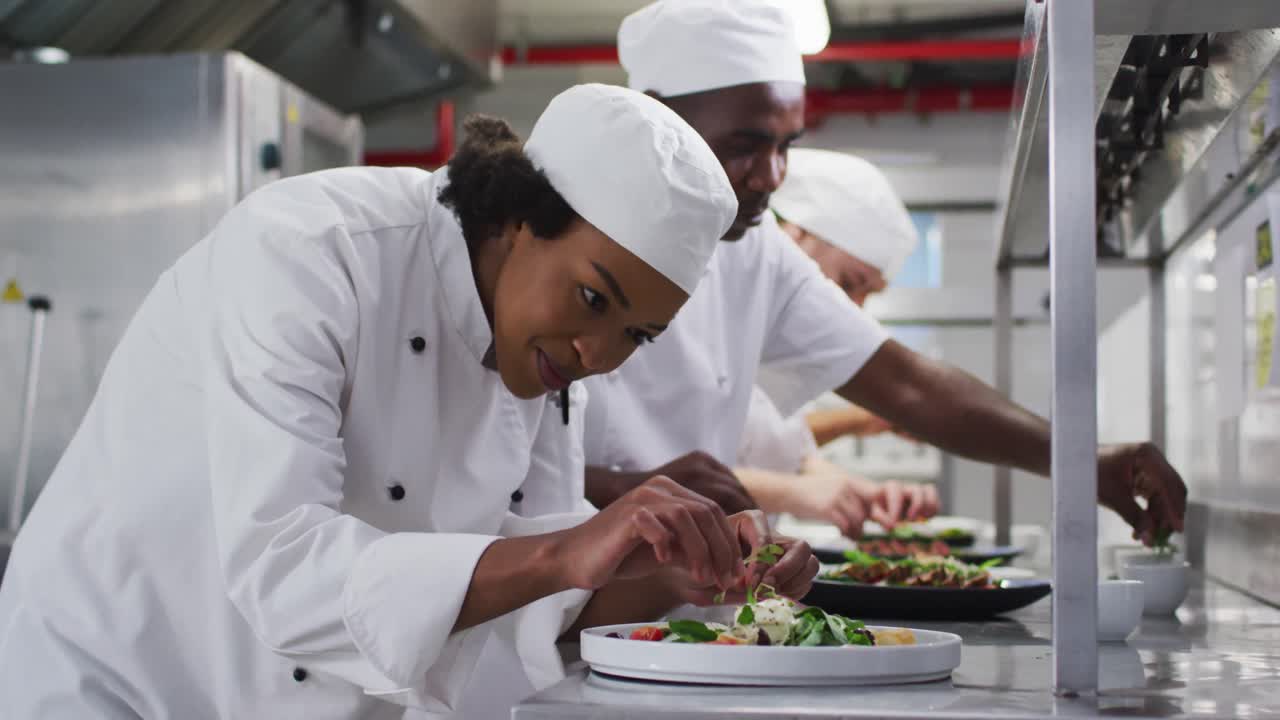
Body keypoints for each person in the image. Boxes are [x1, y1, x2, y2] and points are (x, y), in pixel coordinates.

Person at [0, 84, 818, 719]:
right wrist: (566, 551)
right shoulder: (311, 253)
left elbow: (532, 602)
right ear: (517, 218)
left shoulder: (542, 360)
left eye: (636, 336)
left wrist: (682, 574)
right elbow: (287, 569)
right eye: (593, 300)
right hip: (120, 682)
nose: (598, 355)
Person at [582, 0, 1186, 550]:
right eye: (746, 144)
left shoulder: (756, 250)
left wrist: (1081, 458)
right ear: (659, 118)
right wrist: (628, 489)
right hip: (560, 615)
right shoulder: (570, 228)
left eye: (786, 145)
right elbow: (503, 465)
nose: (772, 175)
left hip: (683, 607)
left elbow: (906, 383)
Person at [733, 148, 938, 537]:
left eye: (869, 294)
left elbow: (786, 451)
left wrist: (864, 495)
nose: (853, 310)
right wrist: (794, 492)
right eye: (848, 282)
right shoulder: (699, 313)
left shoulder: (768, 341)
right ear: (792, 237)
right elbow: (653, 473)